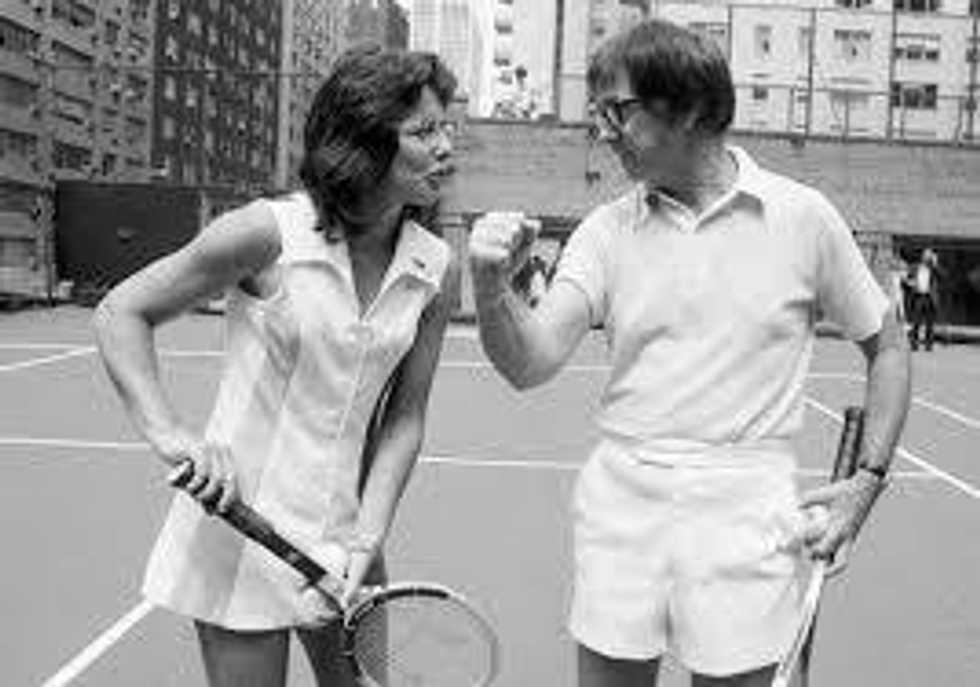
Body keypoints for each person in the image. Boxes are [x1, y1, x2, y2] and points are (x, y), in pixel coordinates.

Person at [468, 20, 910, 687]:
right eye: (598, 113)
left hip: (748, 507)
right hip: (623, 500)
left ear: (691, 108)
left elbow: (889, 345)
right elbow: (530, 362)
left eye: (618, 110)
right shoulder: (605, 231)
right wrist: (491, 287)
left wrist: (867, 482)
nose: (603, 131)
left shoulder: (803, 217)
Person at [92, 45, 458, 687]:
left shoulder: (435, 267)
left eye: (446, 126)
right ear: (364, 141)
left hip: (348, 541)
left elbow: (405, 418)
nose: (446, 146)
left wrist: (366, 539)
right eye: (423, 131)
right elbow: (121, 312)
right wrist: (171, 435)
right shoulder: (265, 233)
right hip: (239, 534)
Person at [906, 247, 941, 351]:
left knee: (930, 322)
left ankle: (928, 344)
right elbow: (908, 279)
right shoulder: (915, 267)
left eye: (929, 255)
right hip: (918, 296)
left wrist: (935, 264)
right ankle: (914, 343)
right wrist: (910, 283)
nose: (927, 257)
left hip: (929, 297)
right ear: (922, 256)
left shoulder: (933, 269)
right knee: (916, 321)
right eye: (926, 255)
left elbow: (943, 277)